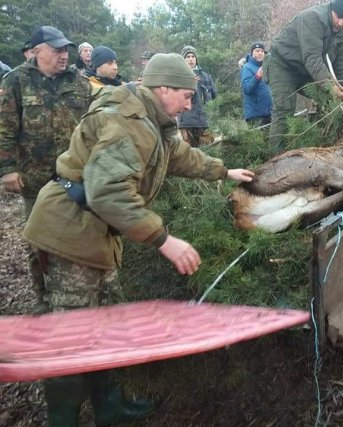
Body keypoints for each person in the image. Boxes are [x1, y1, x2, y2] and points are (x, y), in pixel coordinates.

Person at [22, 53, 255, 426]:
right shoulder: (127, 123)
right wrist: (164, 239)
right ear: (163, 88)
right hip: (69, 232)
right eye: (185, 95)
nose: (190, 103)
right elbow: (109, 194)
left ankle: (109, 407)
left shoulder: (154, 118)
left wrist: (223, 171)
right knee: (71, 338)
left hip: (94, 235)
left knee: (107, 326)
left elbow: (178, 155)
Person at [0, 25, 91, 314]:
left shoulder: (80, 82)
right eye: (56, 50)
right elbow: (4, 129)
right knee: (37, 239)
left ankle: (76, 296)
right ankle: (43, 298)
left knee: (78, 234)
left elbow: (95, 122)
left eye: (66, 50)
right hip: (36, 177)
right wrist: (7, 169)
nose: (63, 55)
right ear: (37, 51)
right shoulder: (16, 81)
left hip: (76, 176)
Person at [265, 0, 343, 153]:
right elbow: (312, 58)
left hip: (305, 71)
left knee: (329, 102)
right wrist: (331, 86)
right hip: (282, 65)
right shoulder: (312, 18)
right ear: (331, 9)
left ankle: (323, 148)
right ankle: (277, 160)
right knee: (285, 110)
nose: (341, 23)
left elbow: (340, 65)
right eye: (338, 17)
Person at [178, 45, 217, 146]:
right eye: (188, 57)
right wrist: (189, 83)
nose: (191, 59)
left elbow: (214, 96)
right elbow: (176, 98)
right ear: (183, 59)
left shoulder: (205, 76)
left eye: (193, 56)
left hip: (204, 122)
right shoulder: (178, 76)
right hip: (187, 122)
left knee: (208, 152)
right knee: (190, 155)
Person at [240, 42, 272, 126]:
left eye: (262, 51)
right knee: (259, 139)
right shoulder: (246, 67)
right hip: (255, 116)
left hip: (269, 114)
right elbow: (247, 89)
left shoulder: (267, 67)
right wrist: (257, 76)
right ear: (252, 53)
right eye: (257, 51)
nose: (260, 53)